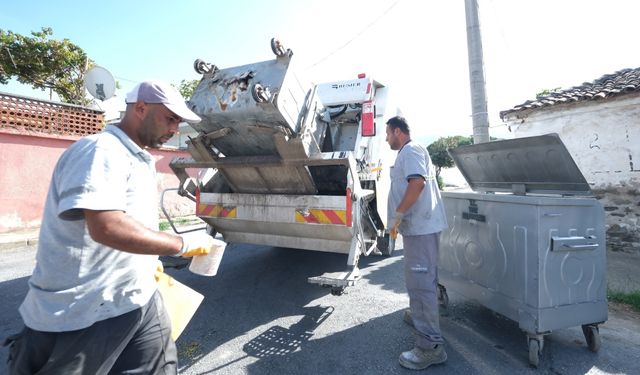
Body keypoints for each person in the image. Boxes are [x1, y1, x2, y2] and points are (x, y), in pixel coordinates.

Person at [5, 80, 214, 375]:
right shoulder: (101, 151)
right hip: (85, 313)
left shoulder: (136, 157)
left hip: (139, 298)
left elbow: (129, 222)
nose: (174, 130)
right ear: (140, 108)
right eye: (170, 118)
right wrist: (181, 245)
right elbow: (107, 226)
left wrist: (146, 262)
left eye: (178, 122)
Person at [385, 115, 449, 370]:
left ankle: (430, 347)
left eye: (388, 133)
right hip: (418, 230)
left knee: (421, 284)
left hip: (421, 229)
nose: (386, 138)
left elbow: (417, 183)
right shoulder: (408, 152)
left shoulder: (411, 149)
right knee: (420, 282)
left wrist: (398, 214)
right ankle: (421, 317)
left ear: (397, 131)